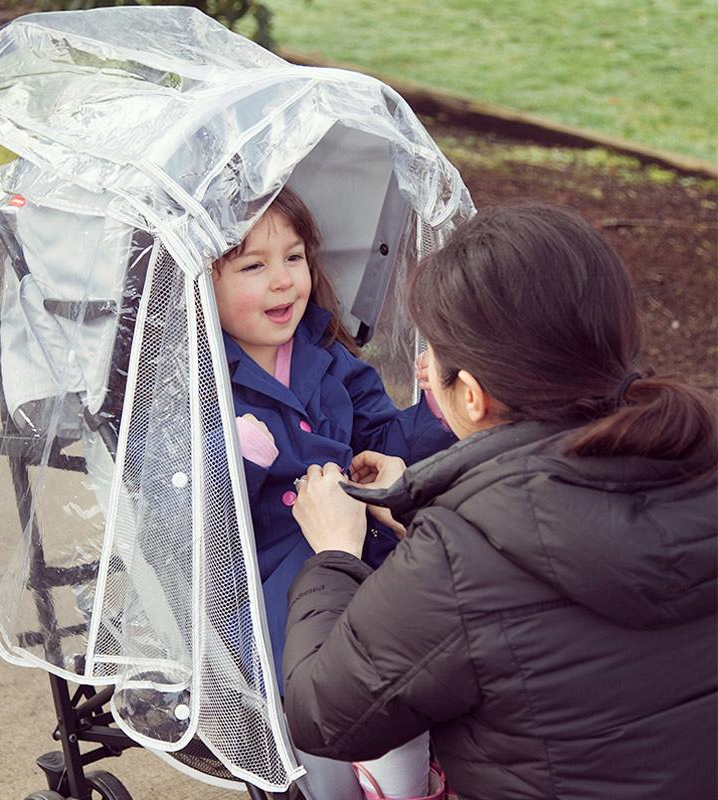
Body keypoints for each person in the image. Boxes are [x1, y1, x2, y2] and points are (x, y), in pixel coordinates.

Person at [283, 203, 717, 800]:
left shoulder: (460, 562)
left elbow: (323, 711)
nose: (423, 366)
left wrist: (335, 553)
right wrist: (415, 506)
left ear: (473, 396)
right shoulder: (698, 459)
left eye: (431, 355)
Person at [211, 186, 455, 799]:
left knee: (425, 630)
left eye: (294, 258)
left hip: (365, 545)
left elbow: (383, 438)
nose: (283, 282)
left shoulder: (328, 356)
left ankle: (407, 770)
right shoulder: (199, 386)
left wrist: (434, 406)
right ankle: (357, 777)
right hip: (272, 577)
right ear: (202, 286)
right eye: (253, 266)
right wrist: (234, 459)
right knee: (332, 676)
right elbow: (184, 510)